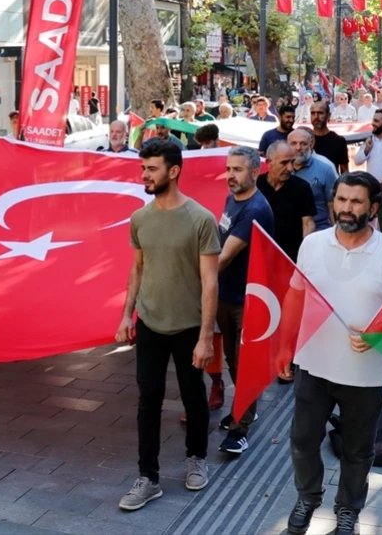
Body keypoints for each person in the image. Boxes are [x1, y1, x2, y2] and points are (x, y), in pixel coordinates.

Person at [278, 171, 382, 535]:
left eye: (356, 201)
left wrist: (378, 331)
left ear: (373, 207)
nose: (347, 209)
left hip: (362, 374)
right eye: (341, 200)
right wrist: (284, 346)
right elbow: (295, 295)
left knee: (358, 450)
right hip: (313, 365)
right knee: (303, 441)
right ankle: (308, 497)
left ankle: (348, 510)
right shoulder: (312, 245)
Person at [116, 139, 220, 511]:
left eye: (152, 168)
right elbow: (137, 268)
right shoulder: (140, 218)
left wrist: (206, 337)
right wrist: (126, 315)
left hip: (190, 327)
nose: (144, 174)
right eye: (143, 168)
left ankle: (196, 458)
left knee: (194, 397)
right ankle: (148, 477)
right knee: (148, 400)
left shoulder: (201, 219)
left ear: (173, 171)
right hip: (150, 325)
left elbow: (211, 282)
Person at [215, 147, 275, 455]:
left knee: (243, 364)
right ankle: (240, 410)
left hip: (245, 300)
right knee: (231, 359)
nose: (230, 176)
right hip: (225, 295)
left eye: (237, 170)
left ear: (255, 172)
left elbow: (223, 257)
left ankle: (241, 429)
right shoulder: (231, 199)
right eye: (228, 169)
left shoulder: (256, 209)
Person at [257, 141, 316, 261]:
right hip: (259, 254)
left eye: (292, 162)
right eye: (284, 163)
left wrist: (305, 252)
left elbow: (308, 223)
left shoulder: (302, 187)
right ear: (269, 162)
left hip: (290, 257)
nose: (290, 168)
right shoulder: (256, 185)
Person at [289, 128, 338, 231]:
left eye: (303, 144)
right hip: (289, 232)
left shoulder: (325, 169)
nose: (298, 148)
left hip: (319, 230)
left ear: (311, 145)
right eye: (293, 143)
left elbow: (332, 205)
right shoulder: (282, 169)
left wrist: (337, 232)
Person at [309, 101, 349, 174]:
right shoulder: (304, 140)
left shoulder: (338, 141)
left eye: (320, 113)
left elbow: (345, 171)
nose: (316, 117)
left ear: (328, 115)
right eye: (313, 113)